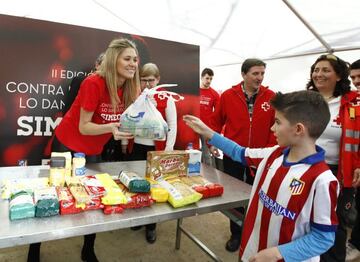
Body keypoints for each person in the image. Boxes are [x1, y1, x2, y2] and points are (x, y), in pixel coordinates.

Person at [183, 90, 339, 262]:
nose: (272, 128)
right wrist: (208, 132)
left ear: (298, 129)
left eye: (278, 122)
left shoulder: (322, 180)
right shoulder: (273, 154)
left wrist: (279, 253)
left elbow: (323, 238)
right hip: (252, 248)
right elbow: (238, 152)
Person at [27, 38, 140, 262]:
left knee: (94, 197)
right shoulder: (93, 83)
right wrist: (111, 127)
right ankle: (34, 249)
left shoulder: (130, 88)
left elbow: (129, 119)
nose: (133, 64)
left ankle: (88, 249)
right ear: (113, 60)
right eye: (127, 58)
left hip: (92, 149)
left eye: (135, 59)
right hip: (67, 144)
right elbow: (84, 126)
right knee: (52, 194)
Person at [209, 58, 276, 252]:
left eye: (262, 73)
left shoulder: (271, 96)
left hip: (260, 158)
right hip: (233, 156)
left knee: (258, 197)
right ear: (243, 74)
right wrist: (211, 142)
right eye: (255, 73)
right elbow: (215, 121)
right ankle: (236, 234)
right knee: (235, 197)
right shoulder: (228, 95)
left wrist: (269, 151)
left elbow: (276, 126)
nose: (260, 78)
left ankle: (254, 235)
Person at [305, 54, 360, 262]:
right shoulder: (305, 100)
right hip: (305, 168)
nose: (319, 74)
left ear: (339, 76)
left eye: (326, 70)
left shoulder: (353, 102)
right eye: (316, 70)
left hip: (337, 171)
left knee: (333, 222)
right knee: (307, 218)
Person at [127, 62, 177, 243]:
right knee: (136, 184)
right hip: (137, 147)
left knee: (154, 187)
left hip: (156, 150)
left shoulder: (167, 98)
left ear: (158, 80)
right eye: (144, 80)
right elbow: (129, 120)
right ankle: (139, 218)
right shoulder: (135, 96)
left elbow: (172, 126)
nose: (147, 84)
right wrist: (125, 143)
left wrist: (167, 151)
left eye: (151, 80)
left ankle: (151, 226)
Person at [345, 59, 360, 261]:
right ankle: (356, 243)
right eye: (353, 78)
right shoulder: (354, 102)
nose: (356, 81)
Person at [199, 68, 220, 167]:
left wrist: (215, 131)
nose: (209, 81)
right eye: (207, 78)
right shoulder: (194, 91)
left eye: (211, 79)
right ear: (202, 77)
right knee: (192, 152)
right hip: (192, 126)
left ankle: (209, 179)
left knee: (207, 155)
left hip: (206, 128)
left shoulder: (214, 94)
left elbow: (218, 114)